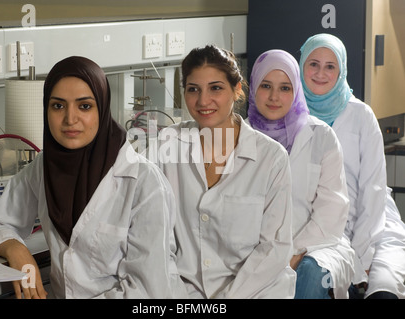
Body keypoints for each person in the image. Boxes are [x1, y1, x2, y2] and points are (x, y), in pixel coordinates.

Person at [0, 56, 185, 299]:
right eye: (58, 106)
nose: (69, 119)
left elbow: (148, 291)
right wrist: (16, 249)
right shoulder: (44, 167)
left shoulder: (144, 182)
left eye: (84, 106)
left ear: (102, 109)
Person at [153, 44, 296, 298]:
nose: (203, 101)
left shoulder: (270, 158)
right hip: (185, 292)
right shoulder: (167, 144)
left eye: (215, 88)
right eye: (193, 89)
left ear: (237, 90)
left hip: (254, 291)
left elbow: (273, 249)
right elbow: (155, 238)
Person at [299, 33, 405, 299]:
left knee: (384, 291)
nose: (320, 73)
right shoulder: (292, 116)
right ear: (301, 66)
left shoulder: (361, 115)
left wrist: (362, 257)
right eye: (313, 64)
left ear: (342, 70)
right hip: (320, 226)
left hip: (373, 222)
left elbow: (374, 190)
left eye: (330, 66)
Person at [246, 49, 355, 299]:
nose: (275, 97)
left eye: (285, 88)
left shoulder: (321, 137)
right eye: (266, 86)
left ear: (296, 90)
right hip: (253, 249)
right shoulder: (239, 138)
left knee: (309, 275)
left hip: (313, 247)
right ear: (253, 88)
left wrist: (290, 251)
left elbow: (332, 212)